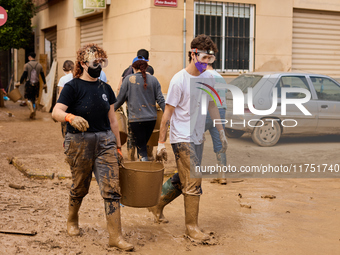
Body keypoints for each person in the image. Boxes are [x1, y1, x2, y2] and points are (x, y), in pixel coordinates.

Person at [51, 43, 133, 251]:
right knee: (80, 186)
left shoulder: (105, 89)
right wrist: (70, 116)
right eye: (95, 62)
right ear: (83, 63)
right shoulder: (72, 86)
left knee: (112, 188)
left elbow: (113, 121)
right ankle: (72, 220)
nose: (99, 65)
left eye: (101, 61)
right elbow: (56, 112)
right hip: (79, 142)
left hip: (105, 141)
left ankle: (115, 236)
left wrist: (118, 147)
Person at [148, 35, 228, 241]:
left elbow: (212, 106)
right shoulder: (179, 80)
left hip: (197, 136)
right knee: (194, 178)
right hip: (181, 137)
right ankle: (191, 228)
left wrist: (221, 132)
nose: (206, 63)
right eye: (203, 58)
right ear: (193, 54)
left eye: (210, 60)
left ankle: (156, 204)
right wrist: (160, 144)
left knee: (181, 178)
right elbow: (166, 115)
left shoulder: (209, 78)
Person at [114, 55, 165, 161]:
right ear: (146, 67)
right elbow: (161, 100)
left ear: (133, 68)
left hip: (136, 120)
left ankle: (143, 170)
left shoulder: (128, 80)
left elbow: (119, 101)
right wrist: (169, 114)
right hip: (151, 119)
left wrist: (109, 111)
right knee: (144, 145)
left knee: (141, 148)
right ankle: (143, 165)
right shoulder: (154, 80)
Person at [117, 49, 154, 161]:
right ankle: (145, 156)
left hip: (131, 106)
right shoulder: (149, 69)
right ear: (147, 59)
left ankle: (131, 157)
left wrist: (118, 104)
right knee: (146, 133)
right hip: (146, 106)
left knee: (131, 132)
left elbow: (119, 88)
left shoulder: (126, 71)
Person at [205, 63, 228, 185]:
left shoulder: (205, 76)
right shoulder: (221, 77)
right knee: (220, 142)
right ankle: (222, 175)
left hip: (207, 110)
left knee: (195, 139)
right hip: (221, 110)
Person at [19, 52, 47, 119]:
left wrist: (20, 81)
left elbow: (24, 74)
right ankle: (34, 110)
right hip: (37, 84)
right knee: (35, 98)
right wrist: (45, 83)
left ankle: (31, 110)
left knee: (27, 97)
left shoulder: (27, 65)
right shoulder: (39, 65)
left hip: (29, 84)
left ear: (29, 57)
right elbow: (42, 75)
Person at [57, 60, 74, 138]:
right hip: (76, 104)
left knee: (65, 125)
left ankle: (66, 141)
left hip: (66, 106)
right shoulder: (77, 77)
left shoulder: (62, 79)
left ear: (64, 69)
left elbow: (60, 94)